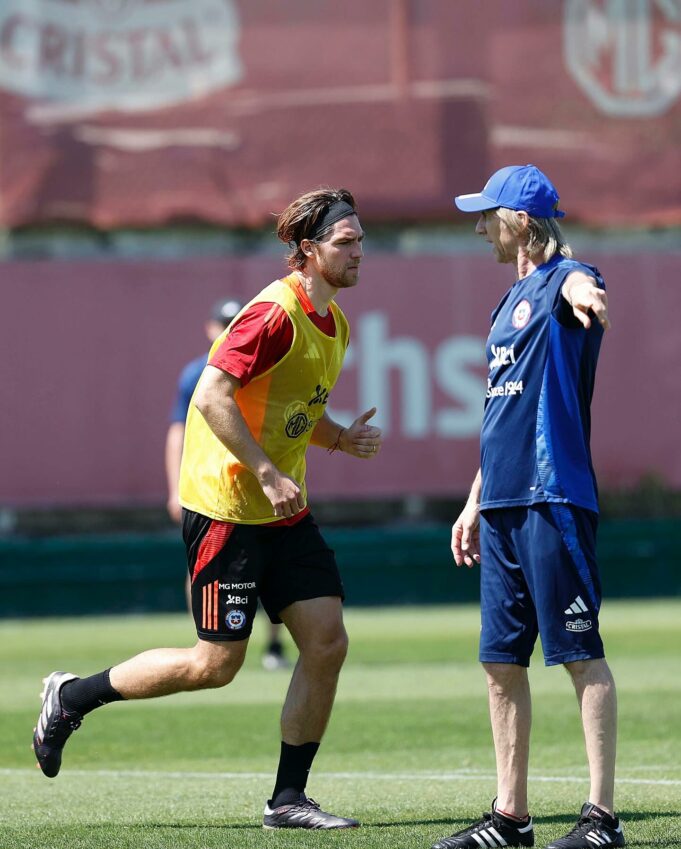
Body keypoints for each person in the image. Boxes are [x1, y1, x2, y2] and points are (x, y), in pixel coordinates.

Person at [33, 187, 382, 830]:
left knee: (327, 642)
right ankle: (71, 695)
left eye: (361, 239)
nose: (361, 251)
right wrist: (268, 471)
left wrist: (339, 439)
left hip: (282, 510)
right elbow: (211, 394)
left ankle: (288, 801)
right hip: (228, 509)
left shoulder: (336, 323)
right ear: (308, 252)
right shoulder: (272, 314)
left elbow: (290, 411)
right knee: (214, 665)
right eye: (346, 242)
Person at [431, 165, 622, 849]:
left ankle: (601, 818)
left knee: (577, 652)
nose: (478, 225)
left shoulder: (563, 280)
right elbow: (497, 413)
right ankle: (509, 817)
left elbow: (580, 281)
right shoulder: (503, 303)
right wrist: (471, 501)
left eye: (487, 214)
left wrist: (580, 288)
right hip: (502, 502)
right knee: (498, 662)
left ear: (520, 220)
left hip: (553, 496)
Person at [165, 297, 290, 671]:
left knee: (271, 570)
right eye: (222, 324)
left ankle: (273, 644)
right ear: (210, 328)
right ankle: (205, 637)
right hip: (213, 492)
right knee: (201, 571)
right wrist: (175, 487)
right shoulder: (197, 374)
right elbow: (178, 432)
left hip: (258, 485)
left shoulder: (260, 365)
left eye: (232, 323)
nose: (226, 331)